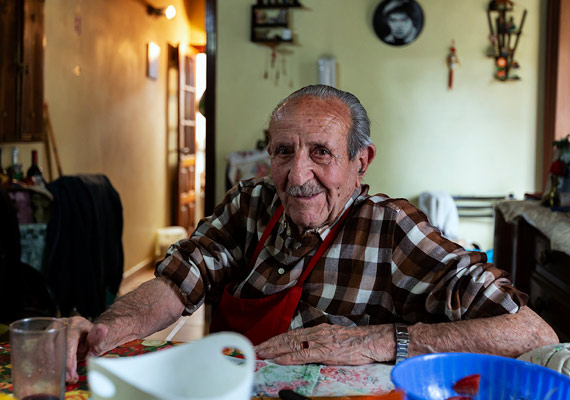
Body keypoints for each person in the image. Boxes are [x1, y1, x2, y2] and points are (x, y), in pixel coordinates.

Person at [64, 85, 557, 383]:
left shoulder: (392, 230)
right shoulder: (252, 203)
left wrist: (380, 341)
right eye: (283, 151)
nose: (297, 175)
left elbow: (533, 333)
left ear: (360, 162)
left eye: (320, 152)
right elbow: (176, 282)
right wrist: (105, 331)